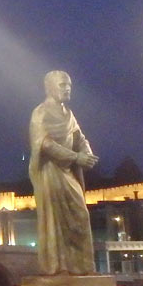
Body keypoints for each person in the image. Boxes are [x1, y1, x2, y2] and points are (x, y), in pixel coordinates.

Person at [28, 70, 98, 275]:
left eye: (69, 85)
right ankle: (57, 267)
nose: (67, 89)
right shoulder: (40, 112)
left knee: (80, 216)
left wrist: (87, 153)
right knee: (55, 220)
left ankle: (82, 266)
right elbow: (45, 144)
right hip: (50, 173)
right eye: (62, 85)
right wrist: (76, 157)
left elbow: (80, 137)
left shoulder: (68, 113)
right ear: (50, 87)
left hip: (68, 172)